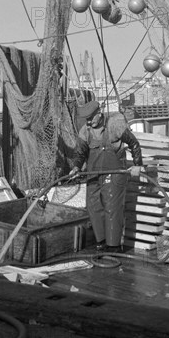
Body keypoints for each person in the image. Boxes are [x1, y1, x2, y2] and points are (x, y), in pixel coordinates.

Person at [70, 101, 143, 252]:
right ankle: (101, 242)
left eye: (91, 118)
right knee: (93, 206)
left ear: (99, 113)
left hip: (115, 173)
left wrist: (137, 164)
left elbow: (134, 144)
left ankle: (113, 245)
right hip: (93, 174)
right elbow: (80, 153)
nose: (89, 122)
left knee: (112, 207)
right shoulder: (86, 130)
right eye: (87, 119)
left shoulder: (114, 125)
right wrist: (76, 167)